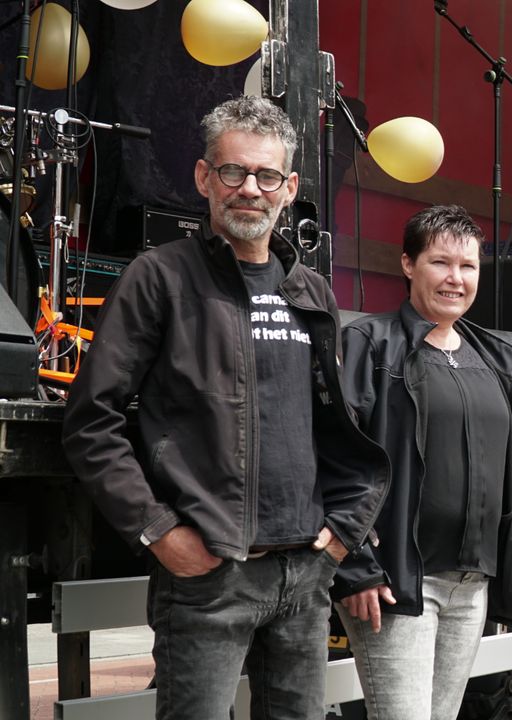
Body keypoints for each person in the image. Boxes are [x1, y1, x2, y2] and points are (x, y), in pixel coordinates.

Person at [62, 95, 389, 720]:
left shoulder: (310, 290)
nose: (250, 189)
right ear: (204, 177)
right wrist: (160, 531)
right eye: (233, 171)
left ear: (289, 188)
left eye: (267, 176)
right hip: (211, 575)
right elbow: (91, 421)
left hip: (304, 572)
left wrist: (343, 534)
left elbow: (332, 423)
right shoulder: (159, 277)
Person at [333, 205, 512, 720]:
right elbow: (339, 458)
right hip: (399, 583)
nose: (455, 278)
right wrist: (358, 566)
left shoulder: (495, 359)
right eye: (440, 263)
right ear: (409, 265)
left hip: (470, 586)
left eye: (468, 266)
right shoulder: (370, 343)